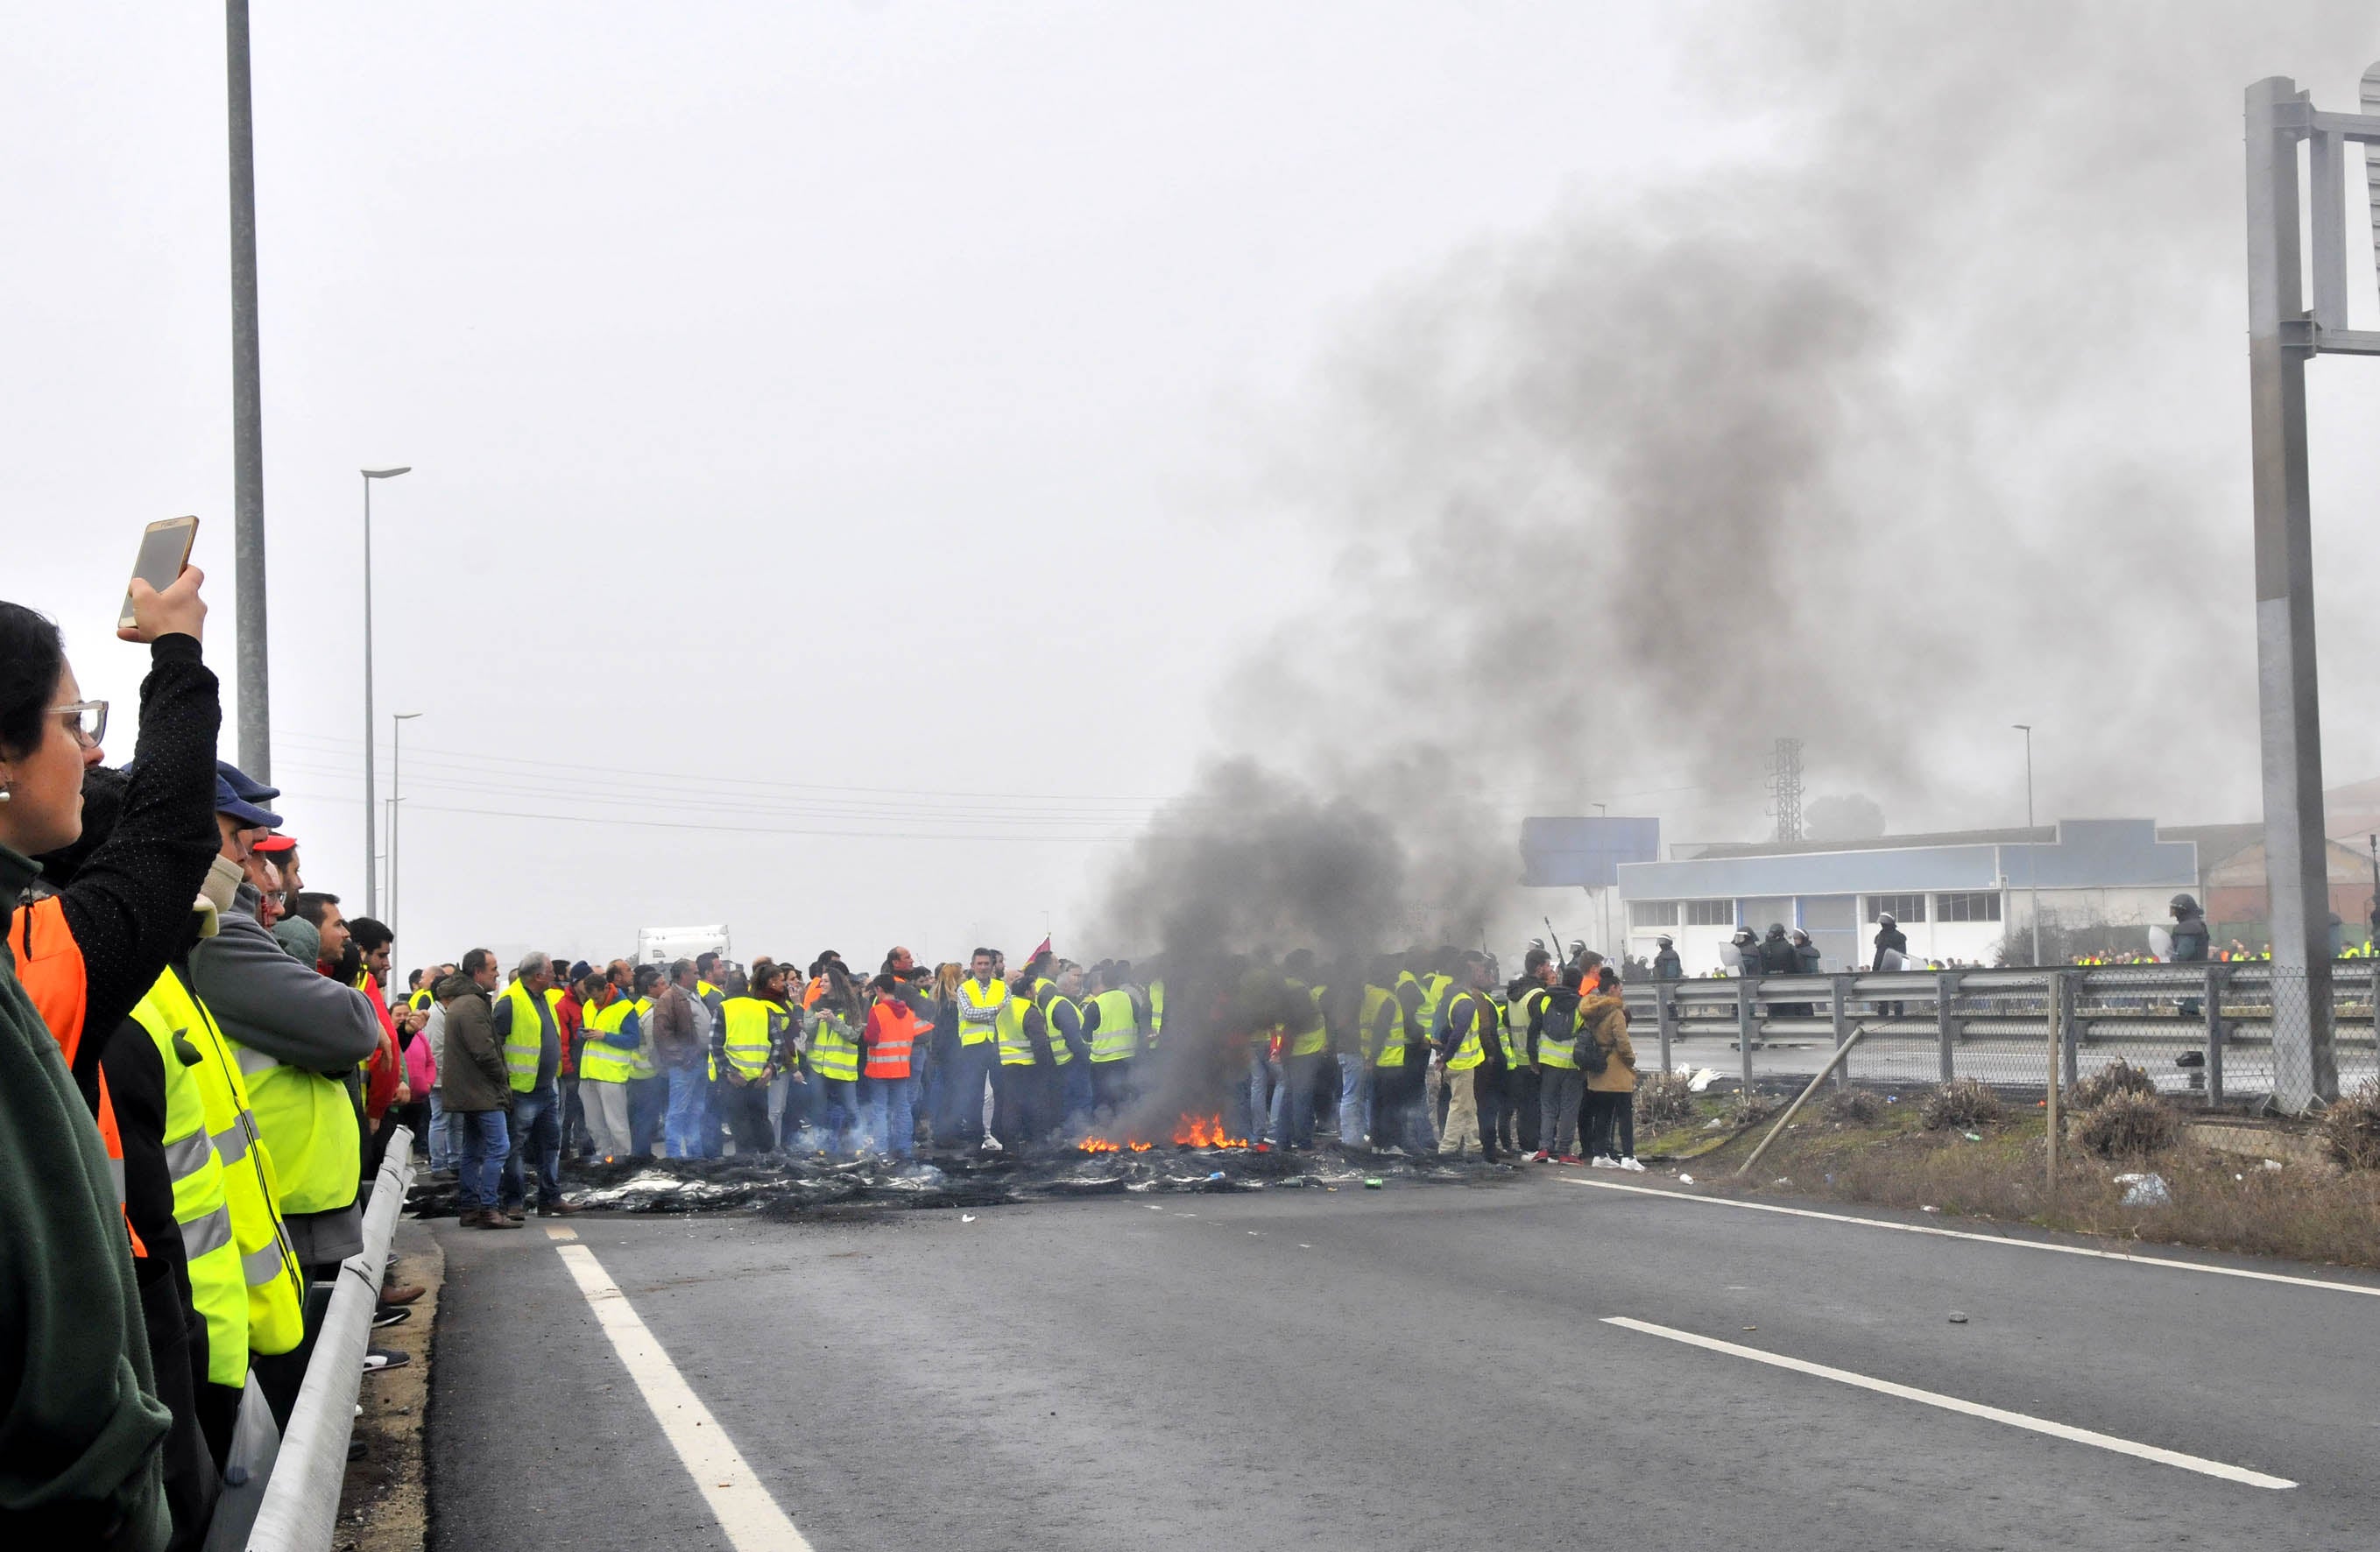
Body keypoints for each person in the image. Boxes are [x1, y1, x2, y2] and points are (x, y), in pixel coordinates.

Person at [3, 574, 219, 1551]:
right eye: (70, 719)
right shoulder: (28, 960)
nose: (89, 749)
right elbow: (168, 838)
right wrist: (176, 658)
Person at [436, 953, 517, 1229]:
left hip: (468, 1091)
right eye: (493, 969)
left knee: (472, 1150)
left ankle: (470, 1208)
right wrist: (501, 1079)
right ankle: (488, 1208)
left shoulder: (464, 1002)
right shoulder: (472, 1005)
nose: (497, 974)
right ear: (477, 972)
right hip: (482, 1091)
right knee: (498, 1147)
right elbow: (484, 1052)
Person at [493, 952, 575, 1217]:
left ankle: (550, 1198)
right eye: (551, 971)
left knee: (551, 1144)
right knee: (515, 1148)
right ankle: (514, 1202)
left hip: (545, 1090)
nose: (555, 975)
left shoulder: (544, 998)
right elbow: (495, 1046)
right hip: (521, 1090)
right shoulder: (510, 1002)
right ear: (538, 975)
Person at [715, 962, 790, 1157]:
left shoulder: (723, 1008)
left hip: (735, 1082)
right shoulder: (762, 1008)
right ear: (747, 986)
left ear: (727, 987)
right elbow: (778, 1043)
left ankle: (746, 1168)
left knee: (741, 1127)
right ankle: (770, 1164)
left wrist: (729, 1072)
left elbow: (715, 1046)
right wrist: (770, 1069)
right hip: (759, 1080)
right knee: (762, 1122)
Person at [1431, 951, 1497, 1160]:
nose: (1482, 972)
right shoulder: (1466, 1002)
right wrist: (1446, 1058)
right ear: (1467, 974)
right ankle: (1448, 1148)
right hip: (1461, 1063)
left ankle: (1473, 1145)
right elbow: (1459, 1032)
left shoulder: (1450, 995)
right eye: (1478, 968)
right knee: (1460, 1106)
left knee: (1469, 1106)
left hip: (1459, 1062)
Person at [643, 958, 710, 1160]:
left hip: (700, 1062)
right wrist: (681, 1059)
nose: (699, 977)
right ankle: (675, 1157)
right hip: (684, 1066)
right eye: (695, 973)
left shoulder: (694, 996)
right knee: (678, 1112)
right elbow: (662, 1034)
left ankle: (694, 1154)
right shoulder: (669, 998)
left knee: (696, 1110)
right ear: (683, 975)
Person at [575, 969, 644, 1160]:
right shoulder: (589, 1005)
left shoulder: (625, 1008)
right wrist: (583, 1034)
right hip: (588, 1074)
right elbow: (581, 1030)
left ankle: (623, 1159)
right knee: (594, 1124)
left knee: (617, 1123)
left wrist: (605, 1036)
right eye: (591, 997)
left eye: (597, 996)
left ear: (606, 988)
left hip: (611, 1076)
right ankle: (603, 1157)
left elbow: (633, 1040)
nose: (595, 1001)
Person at [939, 949, 1004, 1149]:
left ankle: (994, 1133)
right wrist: (995, 1010)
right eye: (980, 964)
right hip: (971, 1049)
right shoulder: (964, 990)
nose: (984, 967)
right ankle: (976, 1136)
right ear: (973, 966)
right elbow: (969, 1014)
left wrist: (988, 1012)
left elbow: (1006, 1011)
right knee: (976, 1094)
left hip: (997, 1046)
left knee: (997, 1093)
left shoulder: (1002, 987)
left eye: (987, 963)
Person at [802, 962, 865, 1157]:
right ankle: (822, 1148)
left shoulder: (851, 1007)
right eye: (822, 981)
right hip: (818, 1067)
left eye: (826, 981)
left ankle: (858, 1147)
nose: (822, 985)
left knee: (851, 1109)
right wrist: (815, 1020)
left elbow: (854, 1035)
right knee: (819, 1111)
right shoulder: (814, 1005)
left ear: (836, 983)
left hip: (842, 1068)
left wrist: (833, 1021)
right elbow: (808, 1032)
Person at [1581, 967, 1642, 1170]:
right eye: (1620, 989)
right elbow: (1622, 1041)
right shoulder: (1616, 1012)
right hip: (1616, 1069)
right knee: (1625, 1113)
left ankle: (1600, 1154)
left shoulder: (1592, 1010)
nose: (1621, 993)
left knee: (1603, 1113)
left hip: (1597, 1068)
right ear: (1613, 988)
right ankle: (1628, 1156)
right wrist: (1631, 1059)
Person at [1268, 950, 1329, 1151]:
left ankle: (1283, 1142)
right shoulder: (1298, 990)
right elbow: (1297, 1023)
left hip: (1293, 1051)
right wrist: (1284, 1049)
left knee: (1289, 1096)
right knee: (1301, 1098)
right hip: (1303, 1052)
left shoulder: (1285, 987)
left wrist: (1280, 1050)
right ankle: (1303, 1143)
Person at [861, 971, 926, 1160]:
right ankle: (904, 1148)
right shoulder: (907, 1012)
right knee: (903, 1108)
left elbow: (871, 1039)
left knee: (880, 1109)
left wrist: (864, 1032)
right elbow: (923, 1030)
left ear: (879, 989)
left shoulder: (877, 1010)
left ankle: (880, 1149)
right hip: (901, 1068)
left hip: (879, 1068)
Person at [1503, 947, 1555, 1157]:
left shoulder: (1514, 993)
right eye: (1548, 966)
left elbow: (1508, 1021)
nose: (1551, 969)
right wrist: (1535, 1057)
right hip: (1537, 1060)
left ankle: (1527, 1147)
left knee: (1525, 1108)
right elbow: (1539, 1028)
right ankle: (1538, 1147)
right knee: (1539, 1107)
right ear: (1540, 967)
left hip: (1519, 1059)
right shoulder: (1538, 995)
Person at [1085, 959, 1144, 1116]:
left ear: (1102, 982)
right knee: (1125, 1100)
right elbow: (1141, 1025)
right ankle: (1125, 1131)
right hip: (1127, 1060)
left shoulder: (1095, 1004)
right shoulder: (1130, 1000)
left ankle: (1106, 1133)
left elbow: (1085, 1035)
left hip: (1101, 1064)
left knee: (1103, 1102)